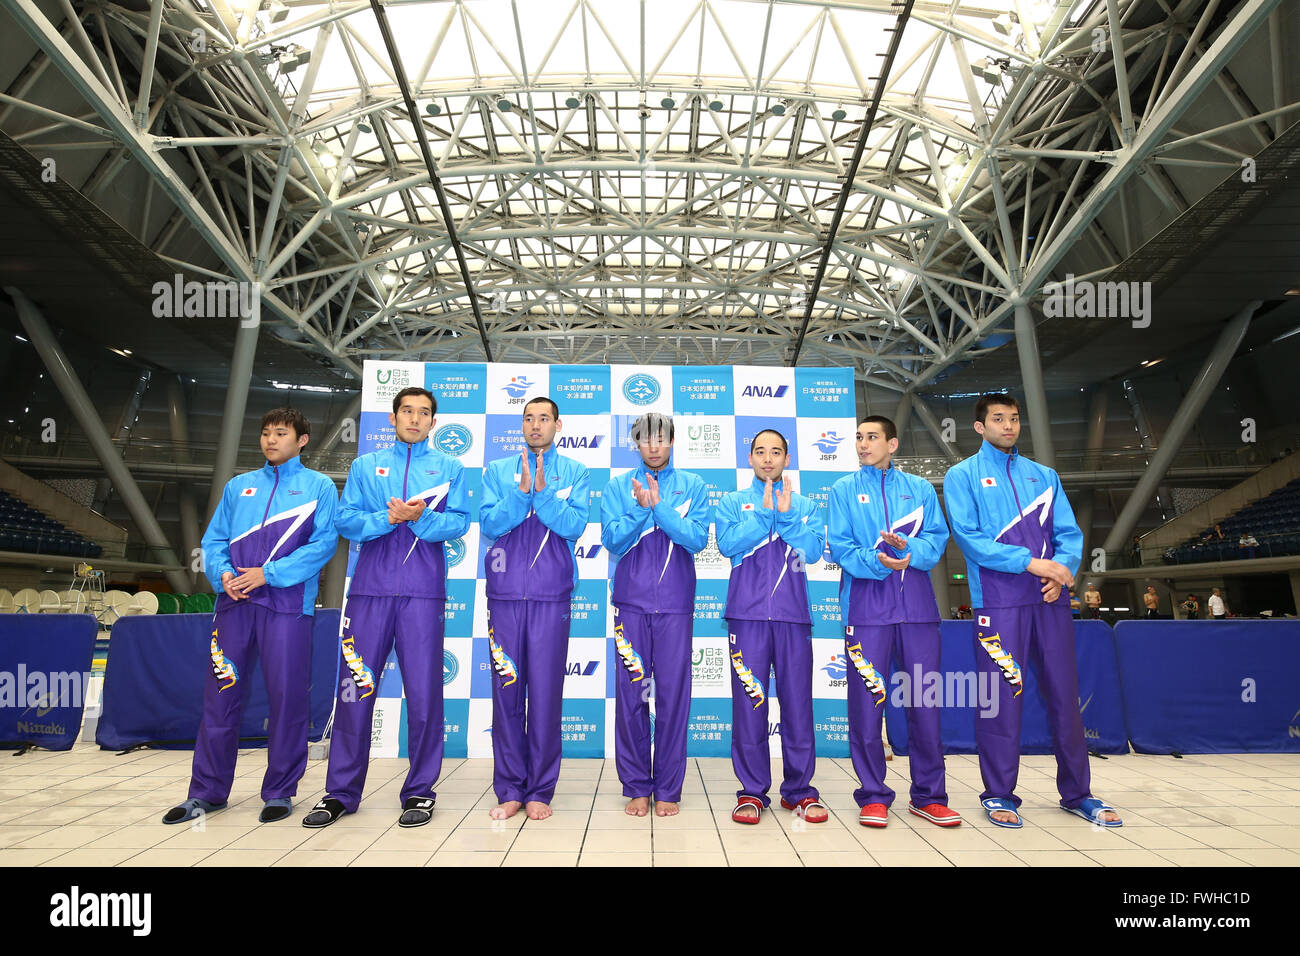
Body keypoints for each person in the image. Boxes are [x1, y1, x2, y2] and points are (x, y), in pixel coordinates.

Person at [943, 393, 1121, 829]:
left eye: (1015, 419)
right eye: (998, 419)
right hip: (998, 603)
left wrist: (1060, 571)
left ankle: (1078, 793)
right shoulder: (962, 475)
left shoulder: (1044, 476)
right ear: (979, 427)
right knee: (1001, 699)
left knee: (1064, 696)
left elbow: (1068, 533)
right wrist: (1029, 563)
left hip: (1048, 600)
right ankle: (999, 793)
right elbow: (969, 539)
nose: (1009, 426)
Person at [302, 387, 470, 829]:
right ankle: (340, 792)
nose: (414, 418)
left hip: (422, 594)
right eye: (407, 411)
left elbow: (460, 523)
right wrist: (388, 519)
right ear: (393, 418)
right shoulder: (363, 466)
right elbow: (345, 519)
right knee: (354, 690)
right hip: (369, 594)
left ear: (434, 423)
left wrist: (421, 518)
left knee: (424, 696)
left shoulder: (449, 467)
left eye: (424, 413)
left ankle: (419, 791)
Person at [164, 409, 338, 825]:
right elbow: (215, 539)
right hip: (234, 606)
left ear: (302, 441)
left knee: (287, 700)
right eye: (265, 433)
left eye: (281, 433)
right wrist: (222, 573)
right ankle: (207, 793)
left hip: (287, 607)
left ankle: (280, 791)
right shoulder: (238, 486)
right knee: (221, 698)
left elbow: (324, 544)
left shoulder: (319, 486)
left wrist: (269, 574)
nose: (271, 440)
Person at [827, 416, 959, 829]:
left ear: (893, 443)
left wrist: (911, 553)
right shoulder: (843, 490)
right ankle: (873, 796)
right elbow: (841, 547)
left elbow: (937, 539)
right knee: (866, 708)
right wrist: (880, 562)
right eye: (859, 439)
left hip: (917, 611)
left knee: (925, 706)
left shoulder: (919, 489)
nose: (863, 445)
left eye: (871, 438)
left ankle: (929, 796)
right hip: (866, 612)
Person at [480, 397, 590, 822]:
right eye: (529, 418)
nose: (535, 425)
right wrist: (520, 493)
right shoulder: (498, 470)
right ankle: (509, 788)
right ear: (521, 425)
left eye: (544, 418)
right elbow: (489, 525)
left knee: (545, 696)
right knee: (506, 694)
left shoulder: (575, 472)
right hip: (505, 596)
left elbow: (575, 527)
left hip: (551, 596)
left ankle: (541, 790)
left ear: (557, 425)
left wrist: (541, 496)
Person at [714, 428, 827, 825]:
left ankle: (799, 790)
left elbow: (813, 551)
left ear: (786, 457)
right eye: (760, 451)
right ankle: (751, 791)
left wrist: (787, 514)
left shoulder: (807, 504)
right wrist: (765, 514)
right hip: (746, 619)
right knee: (750, 707)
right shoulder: (731, 502)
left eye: (775, 452)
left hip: (794, 618)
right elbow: (727, 546)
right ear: (750, 458)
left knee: (798, 706)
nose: (767, 458)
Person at [601, 413, 710, 818]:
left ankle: (668, 787)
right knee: (631, 696)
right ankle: (636, 786)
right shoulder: (617, 486)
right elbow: (611, 539)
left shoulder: (693, 486)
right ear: (636, 444)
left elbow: (697, 538)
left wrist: (659, 508)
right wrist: (639, 510)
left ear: (671, 442)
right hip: (630, 604)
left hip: (676, 606)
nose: (653, 446)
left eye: (661, 439)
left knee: (673, 700)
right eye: (645, 439)